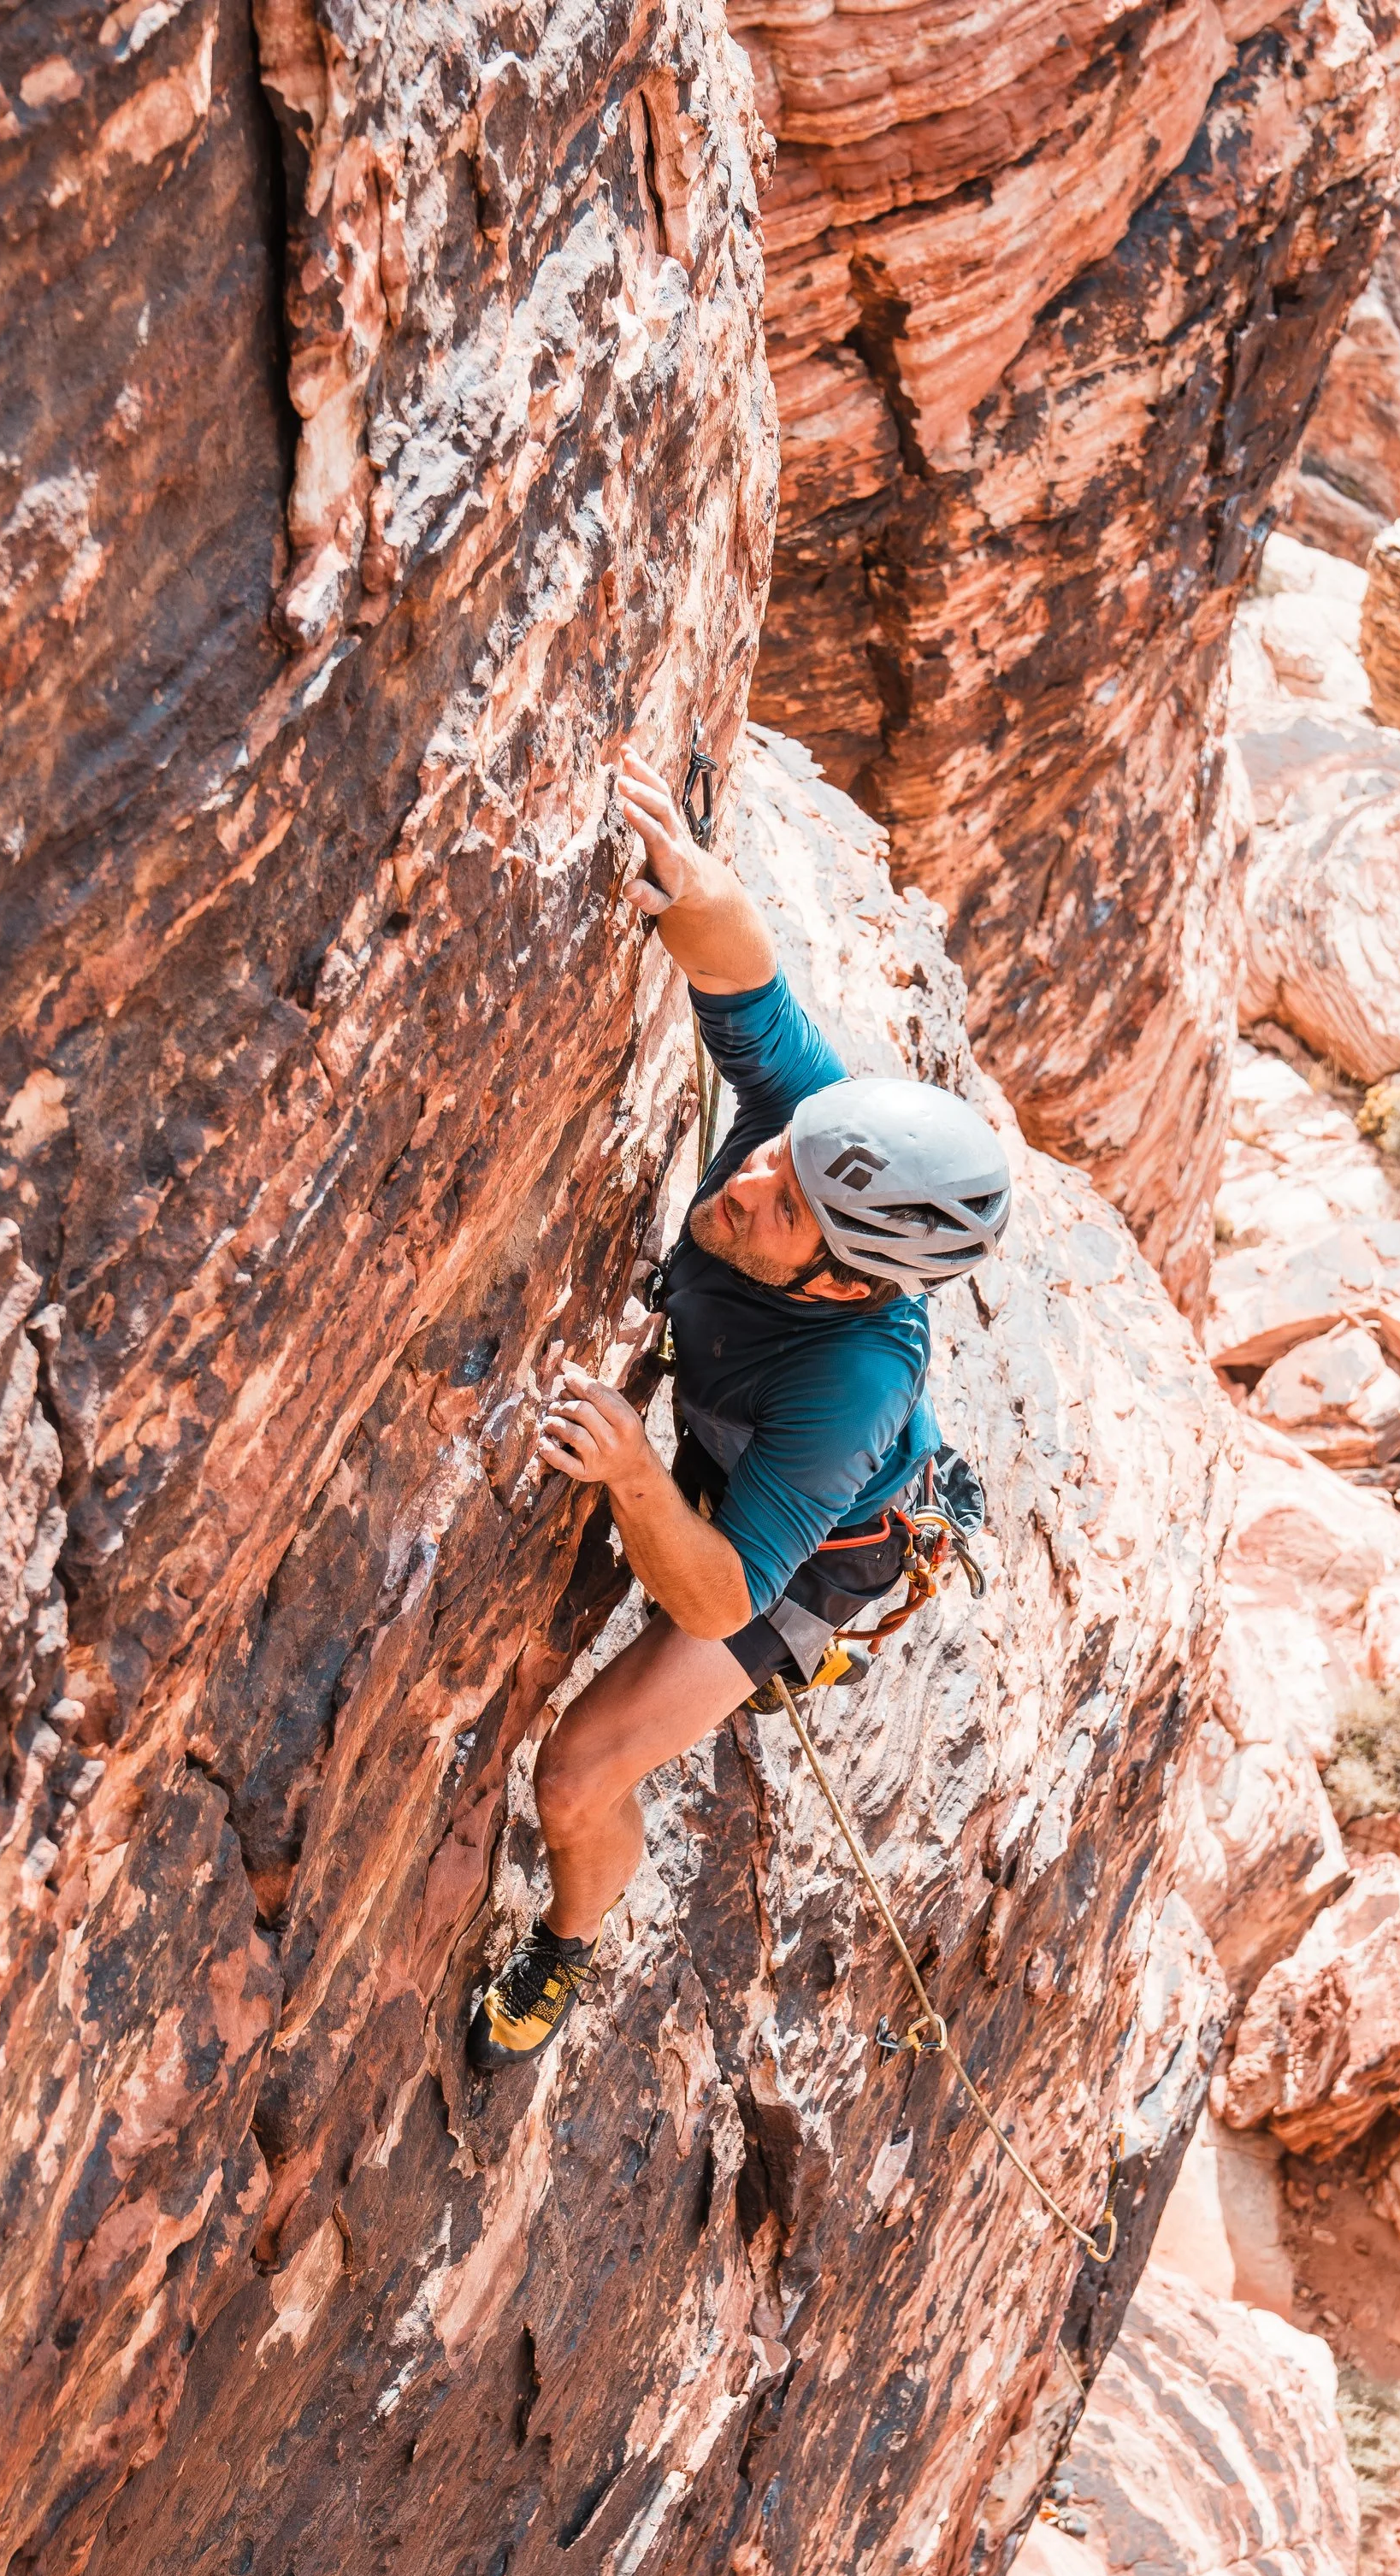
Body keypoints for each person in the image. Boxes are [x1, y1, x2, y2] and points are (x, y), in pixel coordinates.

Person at [465, 743, 1011, 2071]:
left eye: (779, 1210)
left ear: (842, 1278)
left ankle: (562, 1954)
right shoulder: (817, 1133)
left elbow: (717, 1600)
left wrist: (638, 1479)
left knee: (579, 1774)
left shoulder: (850, 1385)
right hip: (735, 1462)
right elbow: (740, 970)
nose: (746, 1186)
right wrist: (685, 869)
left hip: (799, 1556)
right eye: (771, 1161)